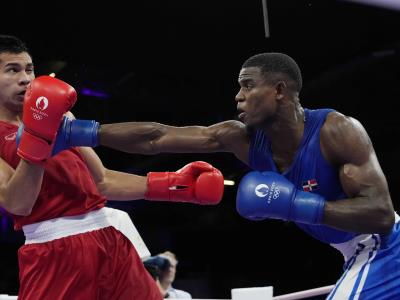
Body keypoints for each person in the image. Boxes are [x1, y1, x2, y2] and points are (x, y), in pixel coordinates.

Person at [61, 52, 400, 299]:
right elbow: (158, 137)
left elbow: (382, 215)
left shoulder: (336, 130)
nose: (238, 96)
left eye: (248, 86)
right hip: (352, 253)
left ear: (279, 90)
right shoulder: (242, 139)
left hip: (384, 247)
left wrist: (298, 205)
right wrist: (84, 133)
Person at [0, 34, 225, 300]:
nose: (25, 78)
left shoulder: (61, 117)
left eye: (29, 69)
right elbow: (18, 203)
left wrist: (173, 184)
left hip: (109, 239)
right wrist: (39, 139)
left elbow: (102, 180)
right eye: (12, 70)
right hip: (54, 251)